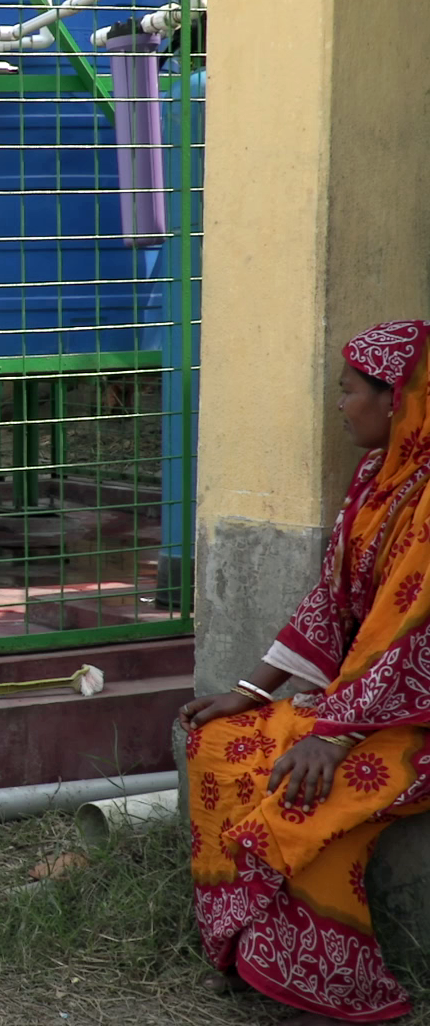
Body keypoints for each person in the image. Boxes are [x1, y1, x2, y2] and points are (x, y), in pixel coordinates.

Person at [180, 320, 430, 1025]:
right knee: (218, 745)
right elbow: (331, 601)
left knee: (303, 794)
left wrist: (338, 737)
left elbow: (408, 635)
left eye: (350, 392)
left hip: (413, 717)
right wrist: (250, 691)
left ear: (397, 401)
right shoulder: (374, 481)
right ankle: (247, 948)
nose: (341, 406)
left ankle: (332, 983)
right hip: (363, 705)